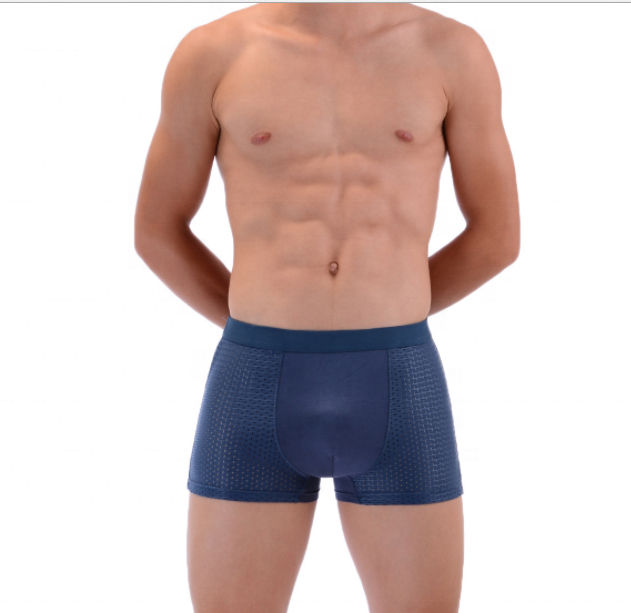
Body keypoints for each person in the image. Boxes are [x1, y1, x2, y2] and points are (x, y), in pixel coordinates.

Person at [134, 3, 519, 612]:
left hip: (398, 378)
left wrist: (397, 309)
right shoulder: (213, 53)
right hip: (254, 379)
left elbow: (498, 236)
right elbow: (157, 229)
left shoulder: (452, 52)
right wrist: (248, 322)